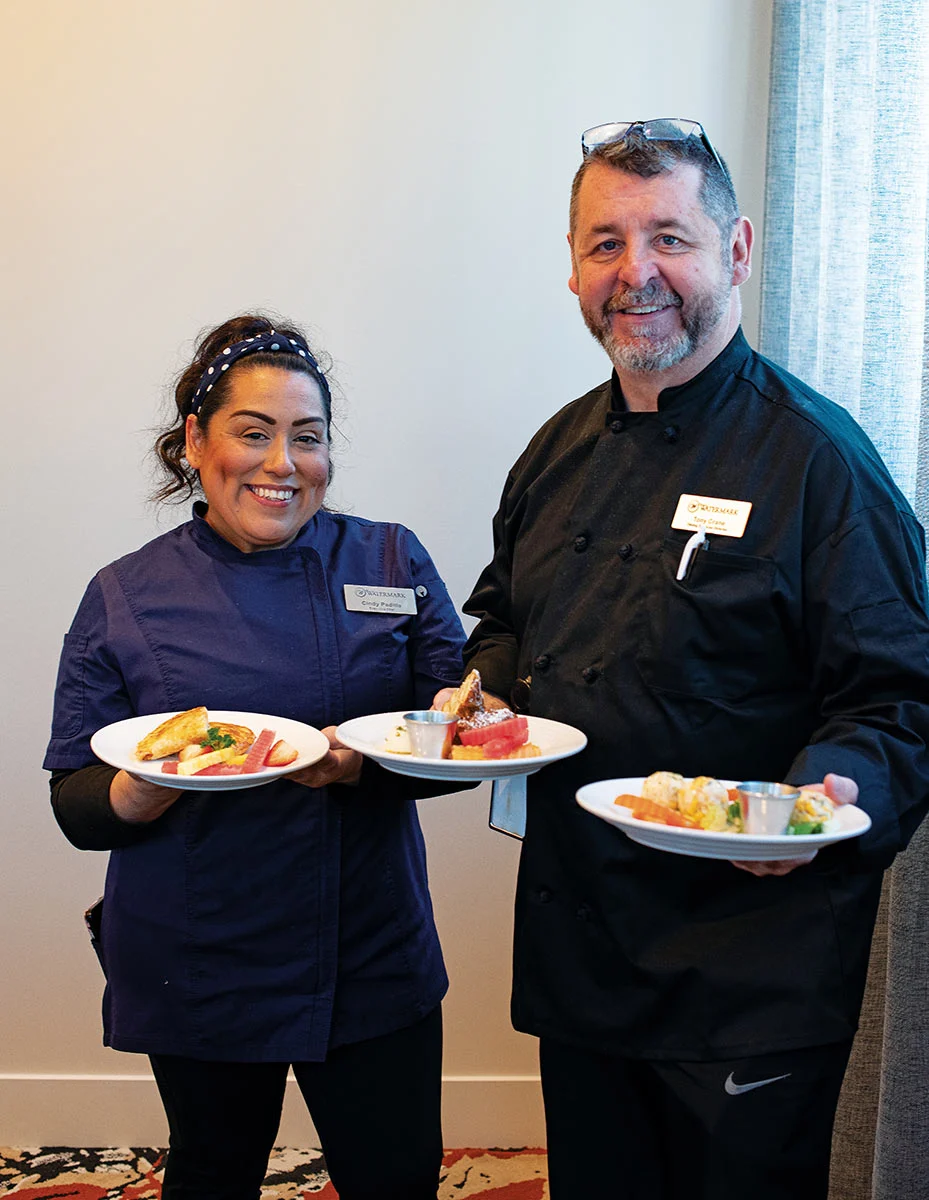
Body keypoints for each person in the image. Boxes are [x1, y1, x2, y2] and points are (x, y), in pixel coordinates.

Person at [453, 120, 929, 1199]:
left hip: (748, 964)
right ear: (572, 265)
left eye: (666, 237)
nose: (635, 274)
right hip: (582, 944)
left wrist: (822, 799)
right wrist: (479, 692)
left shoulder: (819, 460)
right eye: (604, 243)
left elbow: (900, 696)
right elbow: (501, 622)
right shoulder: (555, 450)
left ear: (736, 250)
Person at [44, 313, 466, 1200]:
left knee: (395, 1178)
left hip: (369, 941)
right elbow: (76, 803)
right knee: (212, 1172)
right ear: (195, 443)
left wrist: (360, 766)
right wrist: (149, 785)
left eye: (306, 438)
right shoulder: (125, 593)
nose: (282, 463)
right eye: (253, 432)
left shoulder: (392, 557)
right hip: (201, 950)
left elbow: (455, 741)